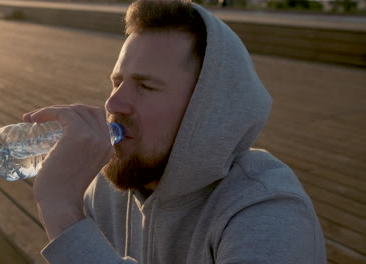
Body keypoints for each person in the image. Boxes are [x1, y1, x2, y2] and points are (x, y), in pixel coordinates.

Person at [23, 0, 327, 263]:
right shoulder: (106, 191)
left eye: (145, 86)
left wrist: (63, 213)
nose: (113, 102)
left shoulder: (268, 210)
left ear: (205, 110)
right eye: (117, 82)